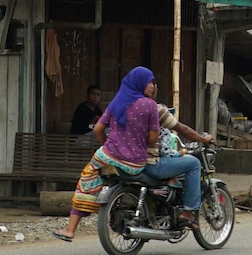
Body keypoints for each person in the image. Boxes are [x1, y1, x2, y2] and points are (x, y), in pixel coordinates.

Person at [52, 67, 160, 242]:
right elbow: (153, 138)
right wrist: (137, 141)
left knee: (86, 180)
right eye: (149, 82)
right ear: (140, 84)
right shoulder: (150, 105)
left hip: (109, 156)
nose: (153, 86)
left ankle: (70, 229)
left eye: (153, 82)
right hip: (135, 163)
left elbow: (98, 129)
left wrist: (108, 144)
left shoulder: (117, 102)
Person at [145, 88, 215, 229]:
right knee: (194, 163)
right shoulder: (156, 111)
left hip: (128, 161)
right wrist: (203, 139)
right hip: (150, 162)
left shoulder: (123, 107)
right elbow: (184, 130)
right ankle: (187, 213)